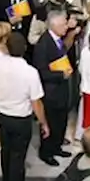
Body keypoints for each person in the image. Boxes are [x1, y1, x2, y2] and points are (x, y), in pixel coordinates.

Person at [0, 33, 50, 181]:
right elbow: (36, 103)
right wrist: (43, 123)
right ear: (25, 49)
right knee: (18, 157)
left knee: (5, 151)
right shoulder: (30, 72)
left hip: (3, 116)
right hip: (21, 119)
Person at [33, 13, 77, 170]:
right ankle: (47, 152)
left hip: (62, 91)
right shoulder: (43, 44)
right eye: (64, 25)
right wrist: (60, 74)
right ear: (55, 26)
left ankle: (57, 146)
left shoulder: (58, 41)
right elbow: (40, 71)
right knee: (50, 122)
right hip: (50, 92)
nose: (67, 27)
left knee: (61, 121)